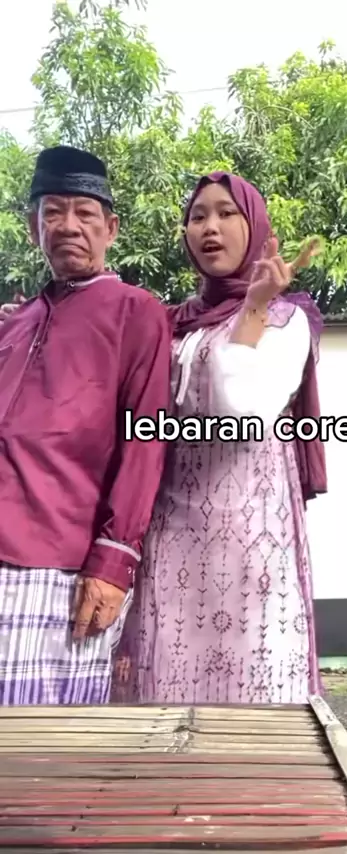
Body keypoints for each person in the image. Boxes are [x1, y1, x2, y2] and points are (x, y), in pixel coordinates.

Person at [111, 171, 327, 705]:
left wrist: (252, 310)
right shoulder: (173, 324)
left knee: (251, 691)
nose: (210, 227)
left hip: (251, 538)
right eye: (198, 216)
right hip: (169, 537)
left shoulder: (285, 319)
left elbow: (242, 412)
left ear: (255, 226)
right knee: (166, 690)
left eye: (227, 213)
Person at [0, 145, 171, 705]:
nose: (67, 226)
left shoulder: (136, 312)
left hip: (63, 570)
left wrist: (114, 561)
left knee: (43, 744)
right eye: (52, 212)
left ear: (110, 229)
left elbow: (145, 442)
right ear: (34, 227)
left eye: (84, 213)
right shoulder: (14, 323)